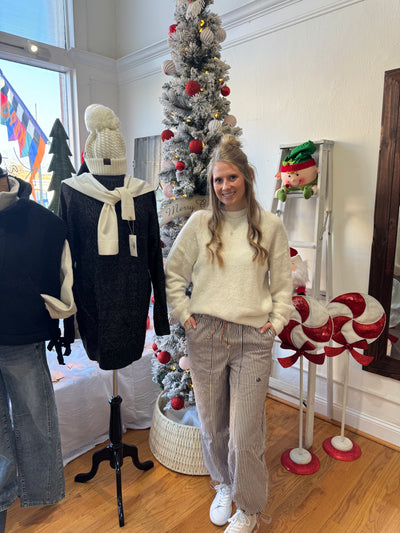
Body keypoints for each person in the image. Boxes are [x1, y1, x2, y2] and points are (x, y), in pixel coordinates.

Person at [165, 135, 294, 533]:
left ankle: (250, 508)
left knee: (243, 433)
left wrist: (276, 323)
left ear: (246, 176)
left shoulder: (270, 226)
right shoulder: (200, 224)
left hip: (252, 340)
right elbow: (173, 273)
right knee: (212, 423)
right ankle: (223, 484)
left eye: (231, 177)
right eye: (218, 180)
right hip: (204, 334)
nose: (225, 187)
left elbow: (283, 286)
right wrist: (184, 314)